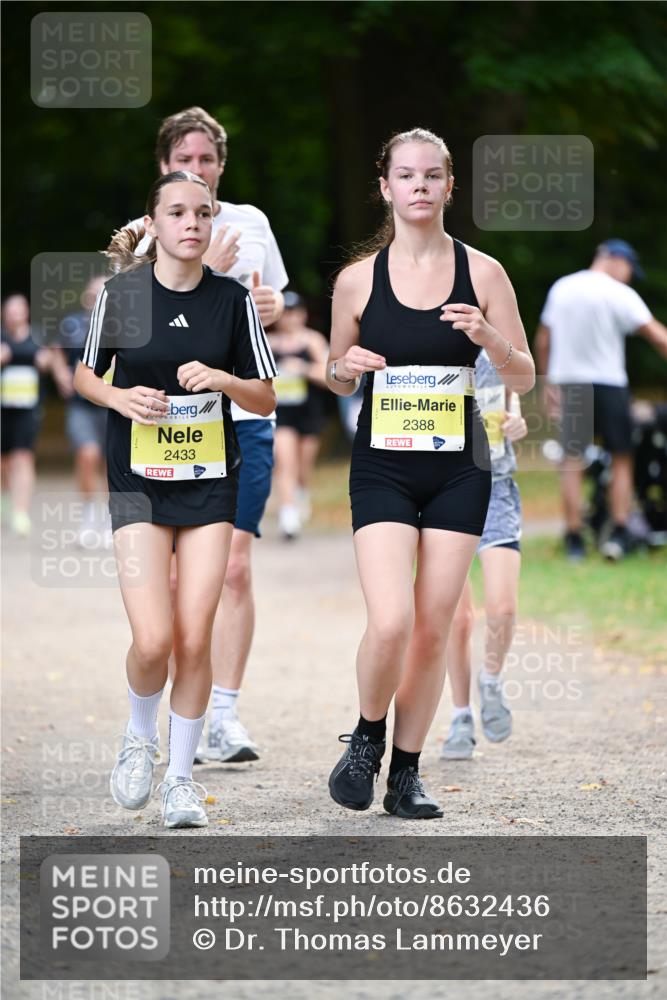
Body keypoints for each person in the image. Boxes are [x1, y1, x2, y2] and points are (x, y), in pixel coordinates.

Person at [326, 128, 534, 820]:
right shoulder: (357, 281)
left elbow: (522, 374)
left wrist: (488, 337)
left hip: (460, 471)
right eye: (405, 176)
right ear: (384, 188)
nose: (418, 186)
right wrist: (343, 368)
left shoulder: (485, 274)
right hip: (382, 468)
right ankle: (365, 737)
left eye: (432, 176)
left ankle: (405, 774)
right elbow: (332, 373)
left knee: (431, 626)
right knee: (389, 621)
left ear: (449, 186)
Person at [74, 171, 276, 828]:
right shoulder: (122, 295)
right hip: (136, 482)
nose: (191, 223)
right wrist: (119, 397)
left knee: (194, 638)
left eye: (202, 213)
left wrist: (221, 378)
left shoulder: (231, 301)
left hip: (210, 486)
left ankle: (181, 781)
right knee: (155, 639)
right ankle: (139, 736)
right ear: (154, 224)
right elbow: (84, 375)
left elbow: (265, 397)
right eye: (177, 213)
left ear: (213, 223)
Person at [131, 107, 288, 764]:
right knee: (168, 586)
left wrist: (275, 309)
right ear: (165, 166)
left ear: (221, 165)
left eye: (205, 160)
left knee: (232, 570)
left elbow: (274, 306)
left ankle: (223, 714)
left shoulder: (252, 223)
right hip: (168, 427)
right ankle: (164, 717)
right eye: (183, 161)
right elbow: (125, 324)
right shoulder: (147, 230)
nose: (195, 172)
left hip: (243, 422)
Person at [534, 239, 667, 561]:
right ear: (616, 261)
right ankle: (619, 532)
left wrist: (546, 382)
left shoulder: (562, 288)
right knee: (622, 457)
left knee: (572, 461)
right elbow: (657, 336)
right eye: (629, 271)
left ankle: (574, 538)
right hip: (609, 384)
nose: (629, 278)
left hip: (569, 384)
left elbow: (543, 339)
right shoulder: (619, 293)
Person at [442, 349, 527, 758]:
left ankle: (490, 680)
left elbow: (516, 395)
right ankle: (460, 716)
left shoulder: (494, 345)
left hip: (496, 487)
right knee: (457, 619)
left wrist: (517, 420)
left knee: (503, 607)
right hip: (442, 493)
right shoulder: (417, 338)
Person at [52, 275, 111, 546]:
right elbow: (55, 351)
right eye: (94, 292)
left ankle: (113, 520)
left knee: (113, 464)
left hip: (114, 404)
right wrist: (61, 373)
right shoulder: (72, 324)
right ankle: (90, 517)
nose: (97, 297)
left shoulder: (125, 327)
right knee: (88, 455)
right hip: (81, 405)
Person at [267, 291, 328, 539]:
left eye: (295, 312)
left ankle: (301, 493)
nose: (290, 318)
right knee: (285, 462)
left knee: (303, 467)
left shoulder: (312, 341)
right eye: (286, 313)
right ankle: (288, 515)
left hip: (309, 412)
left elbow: (329, 376)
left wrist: (302, 368)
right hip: (281, 413)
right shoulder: (269, 342)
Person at [1, 295, 59, 537]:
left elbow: (53, 360)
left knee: (23, 458)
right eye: (10, 311)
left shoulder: (39, 337)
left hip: (28, 408)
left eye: (19, 310)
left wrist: (46, 361)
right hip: (3, 409)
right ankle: (6, 502)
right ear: (5, 314)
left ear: (26, 313)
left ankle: (21, 512)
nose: (15, 315)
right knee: (3, 462)